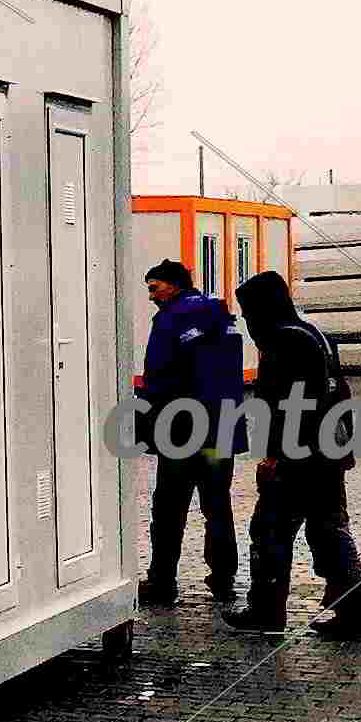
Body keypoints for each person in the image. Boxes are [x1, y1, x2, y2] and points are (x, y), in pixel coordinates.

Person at [225, 268, 361, 641]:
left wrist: (273, 457)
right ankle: (355, 615)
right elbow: (339, 394)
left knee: (269, 531)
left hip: (298, 459)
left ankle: (266, 611)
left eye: (248, 312)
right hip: (327, 454)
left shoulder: (282, 342)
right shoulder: (316, 335)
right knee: (329, 532)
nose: (247, 320)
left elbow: (287, 407)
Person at [136, 260, 243, 608]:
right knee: (217, 505)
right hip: (220, 430)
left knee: (169, 507)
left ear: (174, 285)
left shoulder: (171, 317)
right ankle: (224, 579)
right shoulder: (221, 316)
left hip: (182, 430)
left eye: (154, 288)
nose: (151, 296)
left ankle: (162, 581)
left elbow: (159, 375)